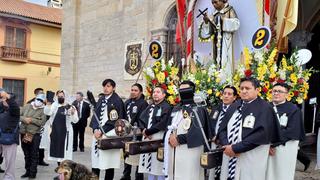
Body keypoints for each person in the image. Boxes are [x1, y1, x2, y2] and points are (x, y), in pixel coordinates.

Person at [217, 77, 281, 180]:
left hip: (251, 156)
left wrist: (236, 148)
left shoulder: (265, 108)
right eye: (241, 88)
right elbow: (222, 128)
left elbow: (261, 134)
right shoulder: (234, 106)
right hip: (229, 154)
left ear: (257, 90)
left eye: (247, 88)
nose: (243, 91)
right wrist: (227, 145)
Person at [163, 81, 211, 180]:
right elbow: (169, 126)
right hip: (174, 149)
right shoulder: (176, 108)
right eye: (180, 90)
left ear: (192, 91)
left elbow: (199, 132)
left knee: (189, 175)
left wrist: (179, 139)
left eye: (185, 90)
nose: (182, 92)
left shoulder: (199, 109)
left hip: (190, 150)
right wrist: (169, 136)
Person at [266, 83, 306, 180]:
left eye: (280, 91)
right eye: (274, 91)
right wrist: (266, 144)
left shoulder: (293, 109)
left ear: (287, 95)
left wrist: (272, 144)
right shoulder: (265, 107)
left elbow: (292, 131)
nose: (276, 93)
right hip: (265, 147)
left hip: (283, 149)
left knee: (281, 174)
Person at [90, 79, 125, 180]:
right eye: (104, 86)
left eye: (108, 86)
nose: (106, 88)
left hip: (109, 135)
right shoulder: (101, 99)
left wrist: (102, 130)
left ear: (113, 88)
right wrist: (95, 129)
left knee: (109, 163)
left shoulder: (117, 101)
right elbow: (95, 115)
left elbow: (115, 120)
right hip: (97, 135)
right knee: (96, 162)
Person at [138, 86, 172, 180]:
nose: (155, 94)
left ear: (164, 95)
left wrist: (149, 131)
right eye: (154, 92)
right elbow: (141, 118)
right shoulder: (151, 106)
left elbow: (163, 122)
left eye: (158, 92)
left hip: (158, 136)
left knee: (158, 164)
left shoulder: (166, 107)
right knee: (150, 165)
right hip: (147, 136)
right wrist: (143, 130)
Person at [201, 0, 240, 77]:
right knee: (216, 62)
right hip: (216, 42)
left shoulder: (229, 10)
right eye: (212, 3)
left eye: (216, 2)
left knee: (226, 62)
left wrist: (223, 21)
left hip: (226, 40)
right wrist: (206, 22)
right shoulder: (214, 14)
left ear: (223, 1)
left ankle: (226, 79)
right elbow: (208, 32)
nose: (214, 5)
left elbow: (236, 24)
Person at [209, 85, 238, 180]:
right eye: (224, 93)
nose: (226, 96)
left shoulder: (237, 110)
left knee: (225, 170)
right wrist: (213, 136)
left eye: (229, 94)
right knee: (213, 169)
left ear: (234, 97)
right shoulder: (216, 108)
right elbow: (210, 124)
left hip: (227, 144)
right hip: (214, 143)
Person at [120, 83, 148, 180]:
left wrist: (139, 128)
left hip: (137, 133)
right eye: (132, 90)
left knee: (137, 156)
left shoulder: (143, 103)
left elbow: (143, 118)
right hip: (126, 133)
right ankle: (126, 174)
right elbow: (122, 116)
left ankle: (139, 175)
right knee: (126, 153)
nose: (133, 92)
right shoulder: (127, 102)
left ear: (140, 92)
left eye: (136, 90)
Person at [44, 90, 79, 164]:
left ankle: (65, 172)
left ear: (65, 97)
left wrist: (72, 113)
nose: (60, 98)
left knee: (65, 154)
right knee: (57, 153)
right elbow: (47, 112)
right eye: (59, 96)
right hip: (56, 132)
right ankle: (60, 171)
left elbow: (75, 120)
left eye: (62, 96)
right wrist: (47, 105)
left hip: (66, 132)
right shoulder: (54, 106)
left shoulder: (71, 107)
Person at [20, 93, 47, 179]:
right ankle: (27, 171)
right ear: (35, 99)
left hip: (35, 135)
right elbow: (18, 115)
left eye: (41, 101)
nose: (39, 101)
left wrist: (31, 120)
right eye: (38, 99)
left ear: (43, 102)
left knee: (34, 154)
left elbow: (42, 122)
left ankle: (32, 173)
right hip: (24, 133)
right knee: (26, 154)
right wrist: (24, 119)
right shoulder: (27, 106)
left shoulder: (43, 110)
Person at [0, 88, 20, 180]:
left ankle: (9, 177)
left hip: (10, 139)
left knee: (9, 162)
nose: (3, 100)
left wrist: (7, 96)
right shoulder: (2, 110)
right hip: (1, 137)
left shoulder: (14, 110)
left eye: (4, 99)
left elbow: (14, 106)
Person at [27, 87, 49, 166]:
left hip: (42, 127)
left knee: (42, 144)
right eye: (41, 93)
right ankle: (30, 160)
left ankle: (41, 160)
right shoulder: (30, 103)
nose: (42, 95)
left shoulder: (45, 104)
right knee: (30, 144)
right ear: (36, 94)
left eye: (43, 94)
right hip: (31, 128)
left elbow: (48, 114)